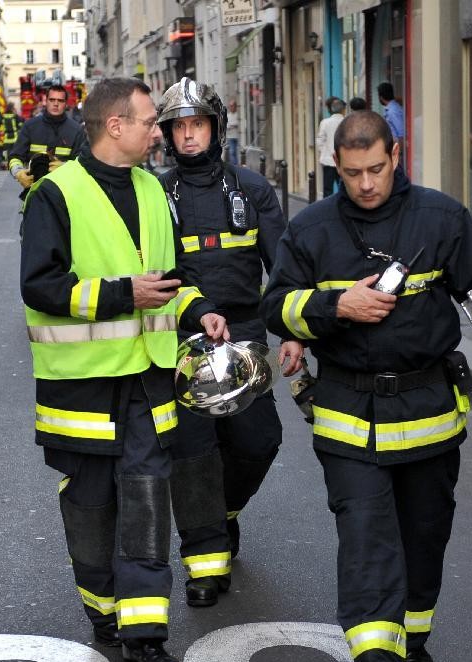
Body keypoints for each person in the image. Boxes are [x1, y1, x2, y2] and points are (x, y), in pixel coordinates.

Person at [262, 111, 472, 662]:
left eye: (376, 169)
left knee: (423, 536)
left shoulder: (440, 218)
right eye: (351, 172)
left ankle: (412, 640)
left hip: (430, 414)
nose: (365, 184)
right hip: (345, 417)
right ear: (336, 166)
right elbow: (277, 306)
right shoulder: (312, 229)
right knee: (366, 542)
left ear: (396, 154)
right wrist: (337, 306)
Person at [20, 77, 226, 662]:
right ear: (115, 126)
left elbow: (168, 278)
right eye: (148, 122)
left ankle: (144, 636)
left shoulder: (154, 190)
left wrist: (197, 309)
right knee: (90, 506)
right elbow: (40, 287)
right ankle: (103, 612)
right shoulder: (56, 195)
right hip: (81, 391)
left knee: (144, 502)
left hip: (147, 382)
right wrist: (121, 295)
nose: (158, 133)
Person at [156, 77, 304, 608]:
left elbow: (283, 266)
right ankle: (205, 562)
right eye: (179, 127)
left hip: (243, 333)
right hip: (183, 335)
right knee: (194, 451)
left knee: (258, 440)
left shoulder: (252, 189)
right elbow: (156, 272)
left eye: (197, 124)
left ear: (215, 128)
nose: (189, 135)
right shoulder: (157, 195)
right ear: (168, 136)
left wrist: (290, 331)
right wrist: (195, 310)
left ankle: (224, 513)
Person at [8, 84, 86, 196]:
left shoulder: (76, 130)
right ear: (46, 101)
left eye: (60, 100)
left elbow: (83, 163)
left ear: (65, 104)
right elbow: (15, 156)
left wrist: (65, 168)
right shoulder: (30, 127)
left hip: (65, 193)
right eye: (52, 100)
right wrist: (18, 173)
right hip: (35, 193)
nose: (56, 104)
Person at [316, 97, 345, 198]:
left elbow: (320, 140)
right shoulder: (346, 121)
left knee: (327, 189)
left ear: (331, 109)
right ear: (342, 109)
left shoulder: (325, 122)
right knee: (343, 187)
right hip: (342, 160)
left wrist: (324, 151)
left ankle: (327, 210)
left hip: (328, 160)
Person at [377, 82, 404, 152]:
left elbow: (401, 135)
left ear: (381, 97)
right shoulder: (391, 109)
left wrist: (399, 154)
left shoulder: (393, 111)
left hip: (397, 150)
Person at [226, 99, 239, 165]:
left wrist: (232, 125)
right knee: (232, 152)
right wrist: (233, 125)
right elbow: (226, 126)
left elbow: (240, 124)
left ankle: (237, 166)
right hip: (230, 137)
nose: (231, 107)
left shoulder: (238, 115)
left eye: (233, 106)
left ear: (235, 106)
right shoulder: (228, 116)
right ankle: (235, 166)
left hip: (238, 136)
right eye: (230, 106)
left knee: (238, 153)